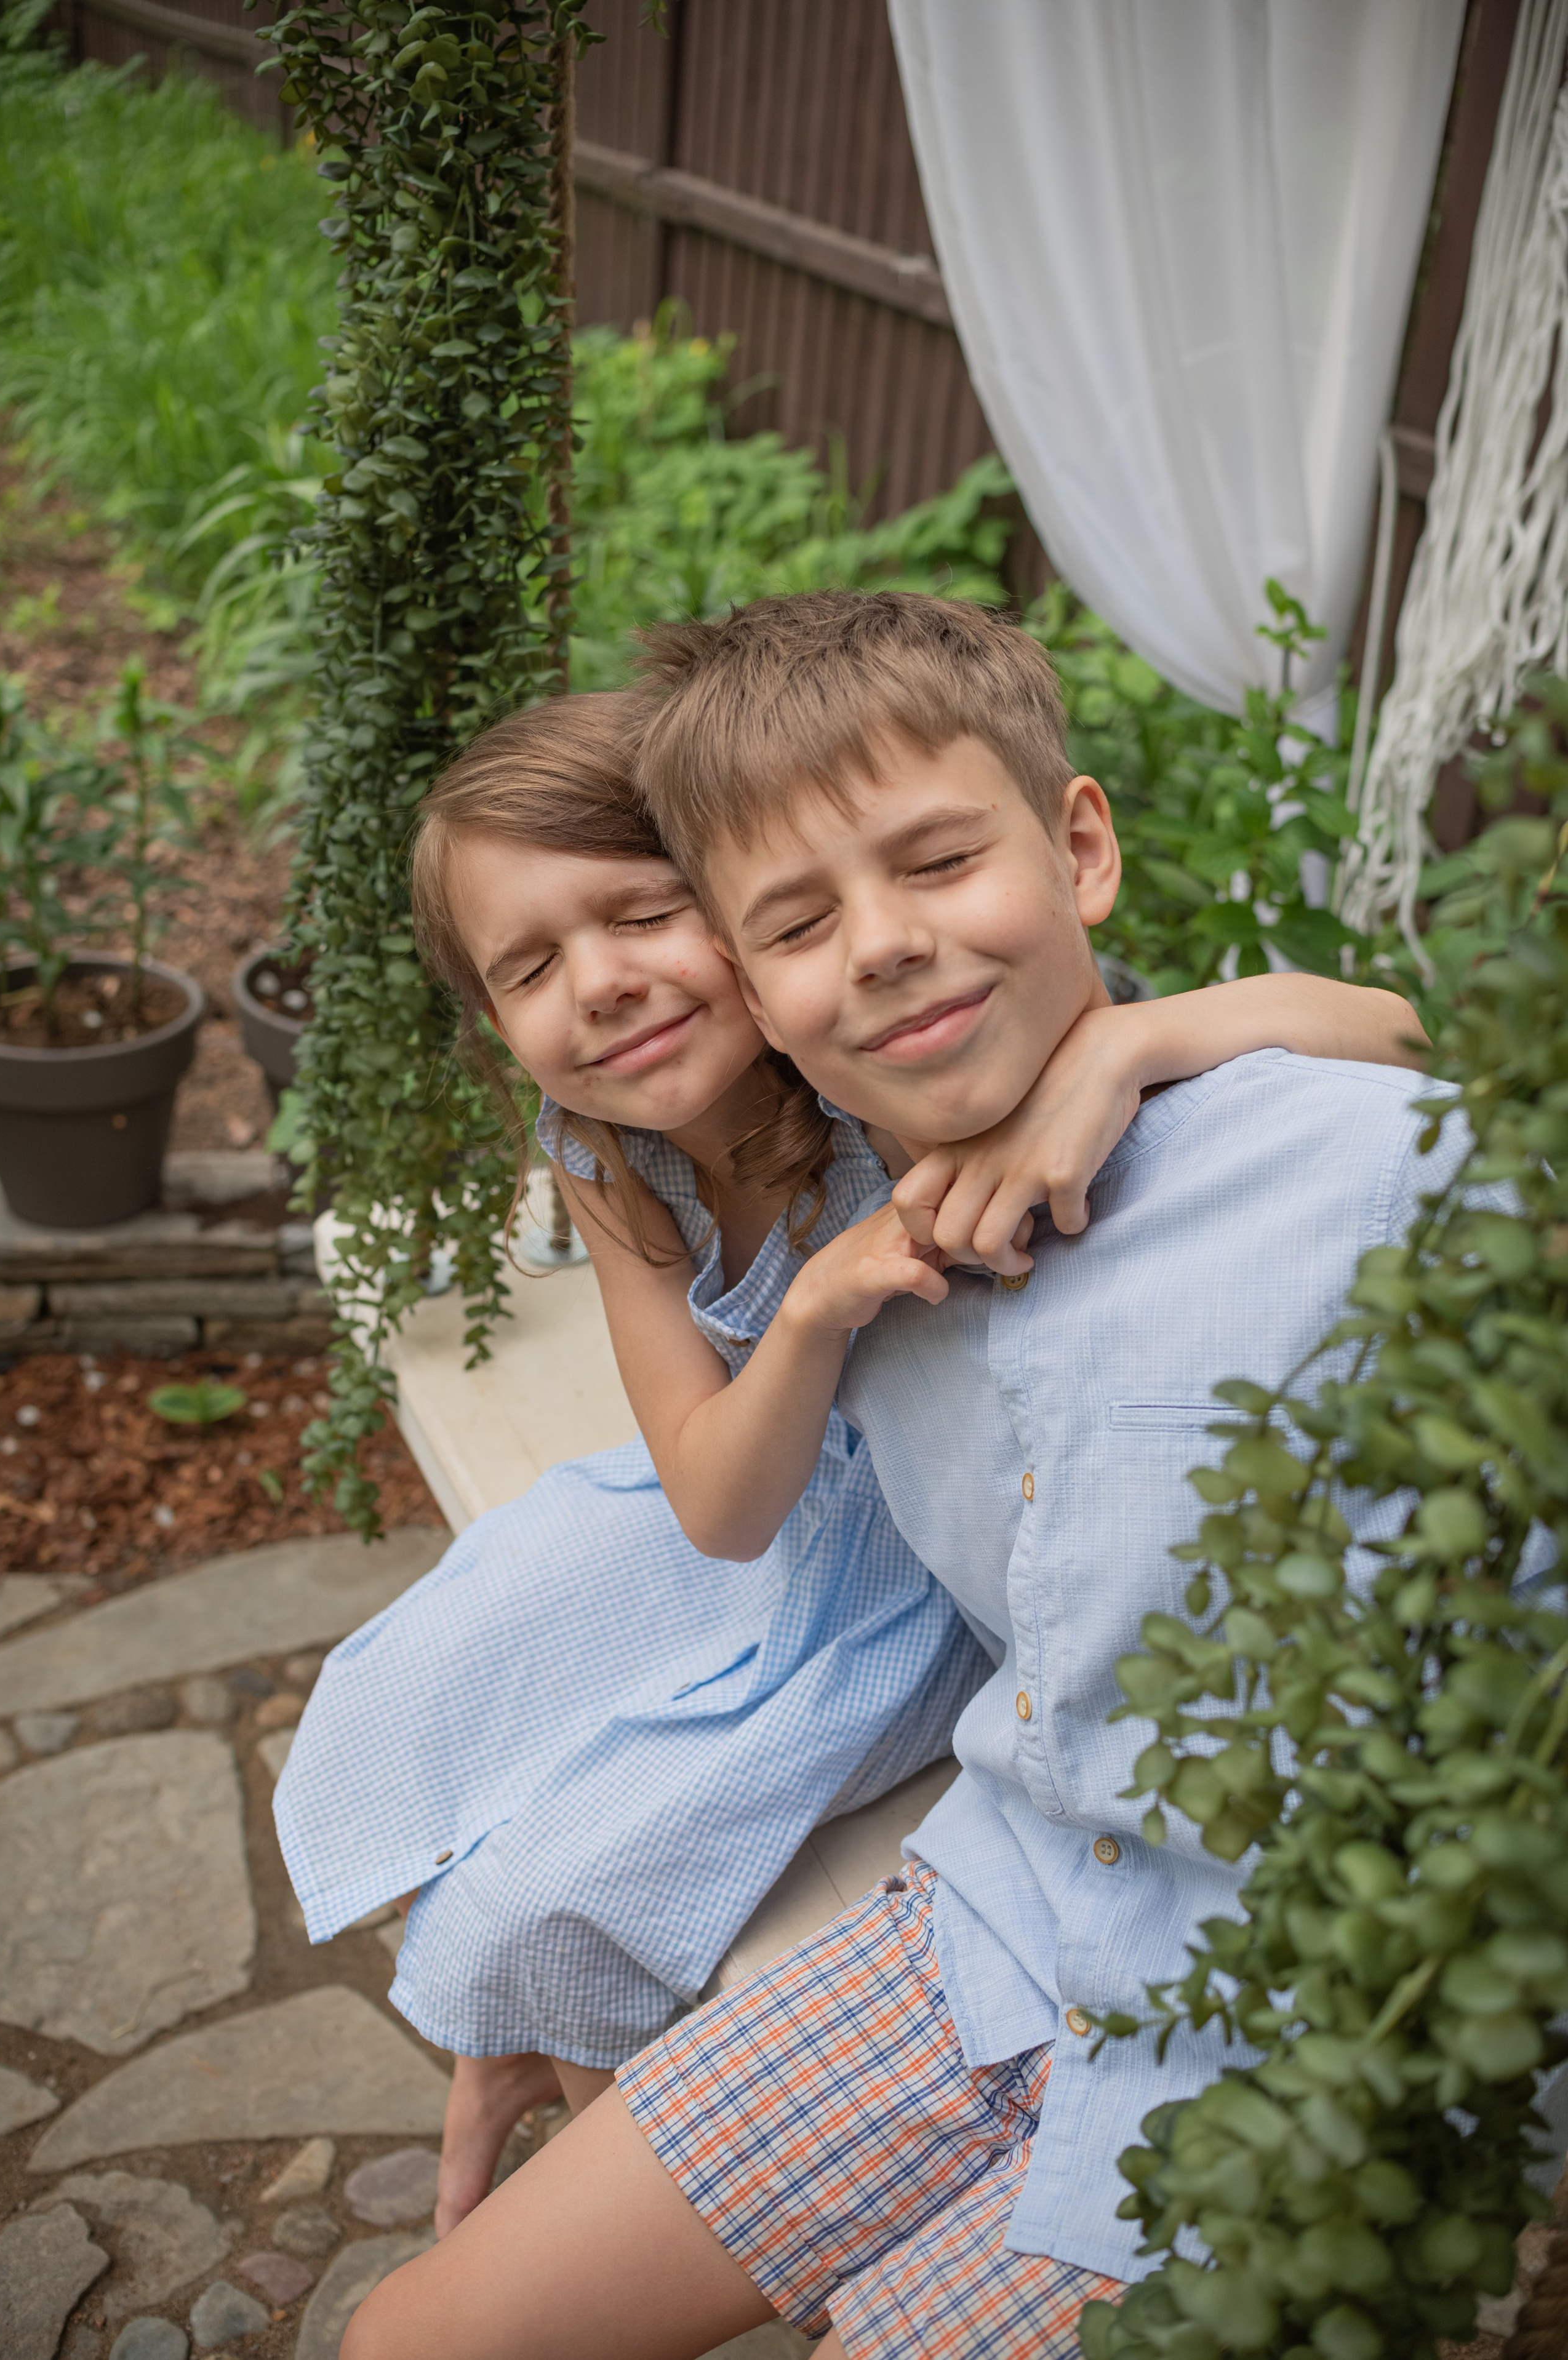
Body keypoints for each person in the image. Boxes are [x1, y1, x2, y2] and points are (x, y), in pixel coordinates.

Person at [326, 646, 1430, 2344]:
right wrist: (827, 1304)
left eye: (638, 919)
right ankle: (551, 2062)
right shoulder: (638, 1155)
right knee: (501, 1767)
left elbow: (1396, 1042)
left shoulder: (1131, 1134)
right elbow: (721, 1503)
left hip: (991, 1678)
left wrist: (1130, 1044)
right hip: (881, 1636)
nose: (606, 986)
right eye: (531, 967)